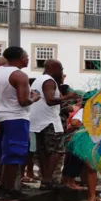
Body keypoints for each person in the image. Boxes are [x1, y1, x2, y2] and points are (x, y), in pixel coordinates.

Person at [0, 47, 41, 200]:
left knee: (3, 154)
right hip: (15, 117)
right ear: (21, 58)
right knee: (15, 154)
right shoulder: (19, 75)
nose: (28, 59)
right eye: (27, 56)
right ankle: (8, 188)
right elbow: (23, 101)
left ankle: (2, 187)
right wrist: (34, 98)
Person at [29, 60, 79, 190]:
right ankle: (47, 179)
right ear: (51, 67)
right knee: (57, 150)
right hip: (49, 121)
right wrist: (69, 96)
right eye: (60, 69)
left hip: (38, 122)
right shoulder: (49, 81)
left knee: (43, 151)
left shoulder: (39, 80)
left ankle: (46, 180)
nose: (62, 71)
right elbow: (50, 100)